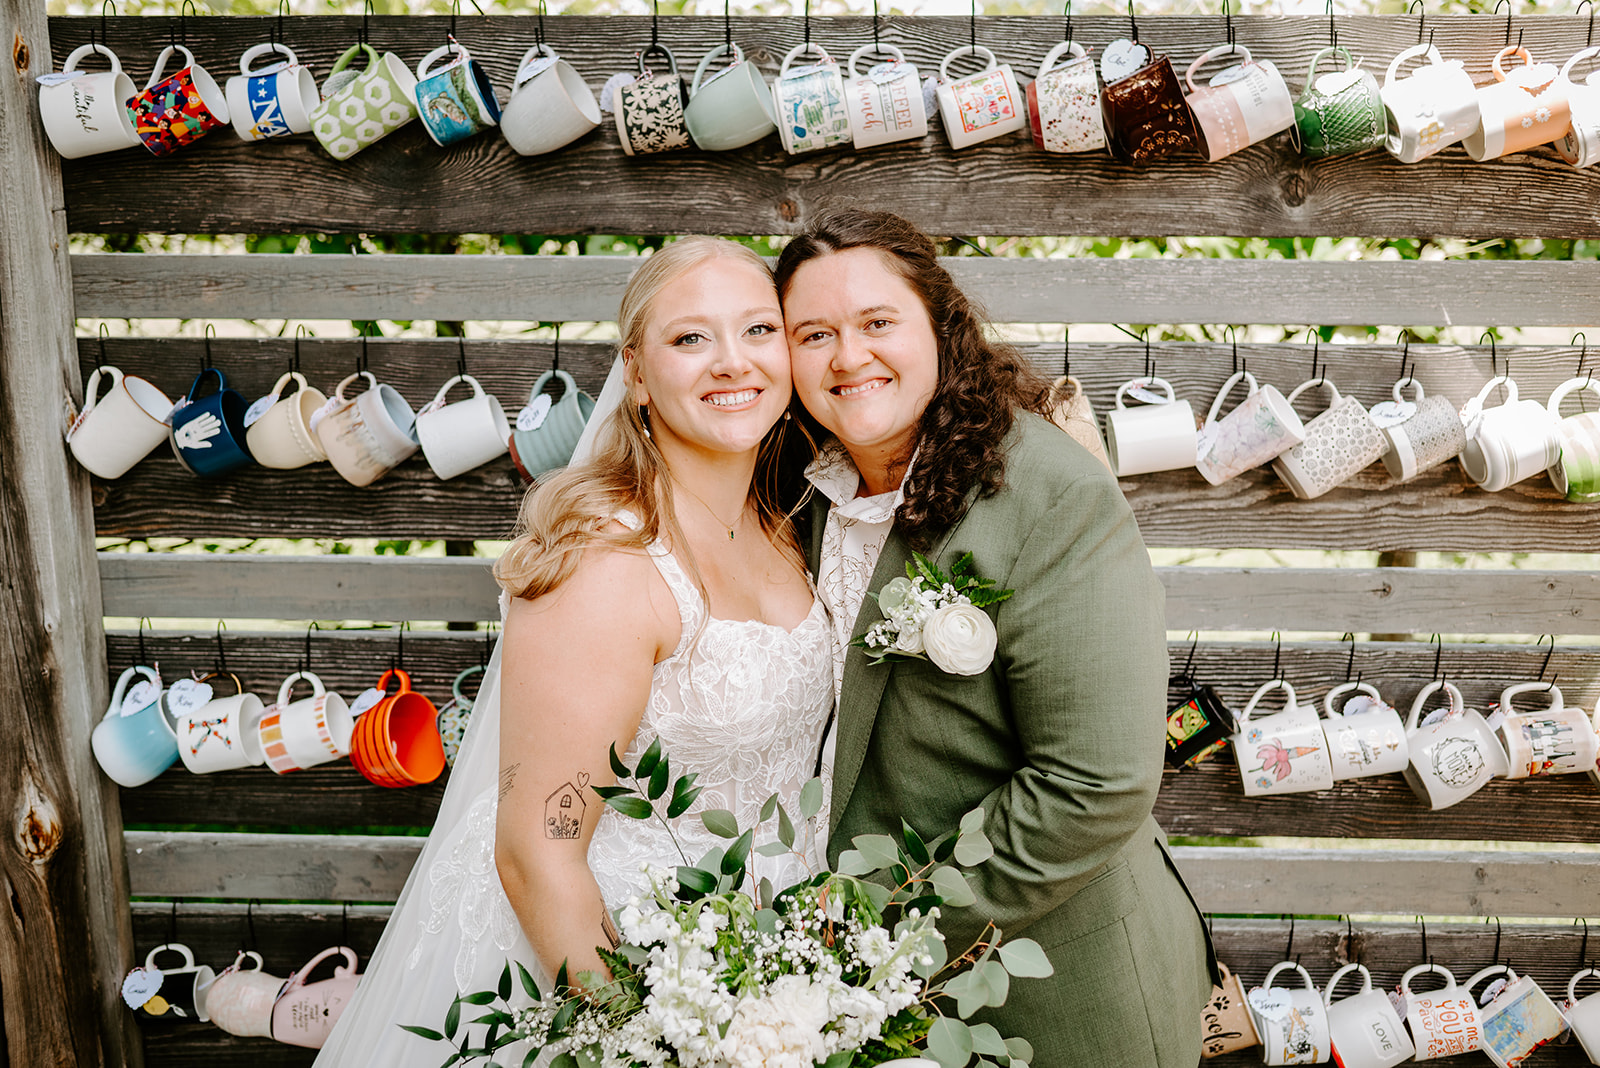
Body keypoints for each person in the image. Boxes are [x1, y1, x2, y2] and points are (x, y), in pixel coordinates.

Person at [315, 237, 833, 1064]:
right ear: (635, 372)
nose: (731, 363)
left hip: (760, 968)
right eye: (690, 338)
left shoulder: (783, 527)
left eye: (758, 331)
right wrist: (659, 1039)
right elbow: (535, 854)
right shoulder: (608, 560)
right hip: (602, 967)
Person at [777, 209, 1217, 1066]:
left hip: (1055, 993)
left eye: (876, 323)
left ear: (941, 327)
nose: (846, 357)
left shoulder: (1051, 495)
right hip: (863, 999)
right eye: (813, 333)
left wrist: (881, 935)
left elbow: (1096, 784)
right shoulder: (800, 496)